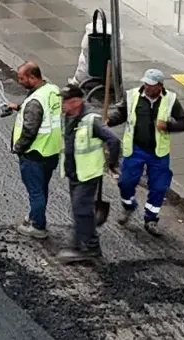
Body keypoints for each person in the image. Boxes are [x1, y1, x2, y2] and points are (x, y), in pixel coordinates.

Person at [108, 69, 184, 236]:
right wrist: (109, 121)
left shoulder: (170, 100)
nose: (146, 86)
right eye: (145, 82)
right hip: (135, 149)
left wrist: (167, 126)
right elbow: (121, 114)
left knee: (159, 187)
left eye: (150, 84)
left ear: (159, 86)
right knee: (125, 182)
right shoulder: (132, 96)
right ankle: (129, 206)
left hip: (158, 153)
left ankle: (151, 218)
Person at [57, 86, 121, 264]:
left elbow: (114, 141)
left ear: (76, 102)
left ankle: (91, 248)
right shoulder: (69, 117)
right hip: (74, 173)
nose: (61, 105)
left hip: (88, 174)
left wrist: (112, 163)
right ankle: (79, 244)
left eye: (65, 101)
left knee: (81, 209)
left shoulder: (91, 120)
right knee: (79, 210)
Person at [8, 61, 62, 239]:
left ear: (33, 77)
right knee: (41, 188)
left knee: (35, 191)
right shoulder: (52, 90)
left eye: (22, 78)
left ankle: (38, 226)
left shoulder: (34, 101)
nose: (19, 81)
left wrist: (18, 148)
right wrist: (18, 107)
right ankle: (34, 216)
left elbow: (30, 129)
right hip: (51, 151)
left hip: (34, 153)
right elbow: (45, 114)